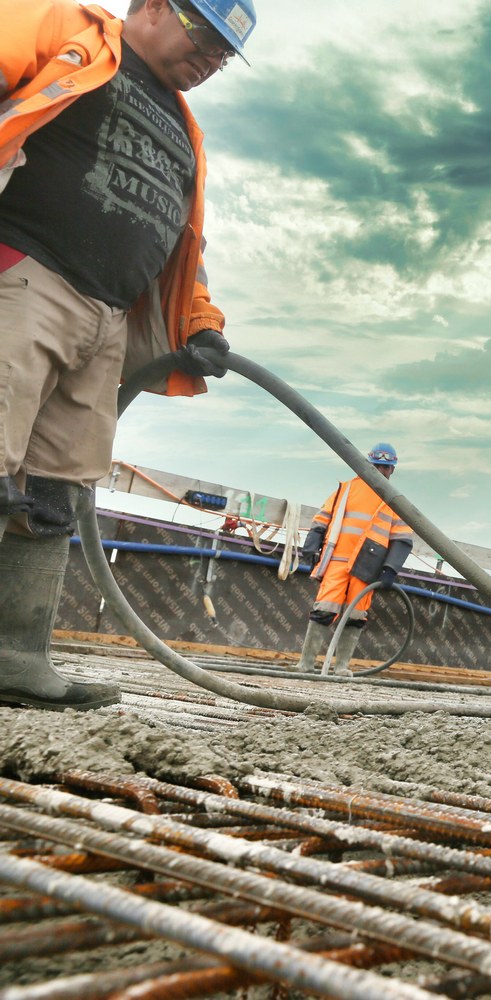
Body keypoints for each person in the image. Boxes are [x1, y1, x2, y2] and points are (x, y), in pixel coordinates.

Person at [0, 0, 256, 711]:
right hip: (25, 273)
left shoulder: (184, 129)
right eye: (204, 36)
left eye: (225, 54)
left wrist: (200, 322)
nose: (211, 60)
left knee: (56, 490)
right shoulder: (69, 31)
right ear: (153, 6)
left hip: (106, 318)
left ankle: (15, 657)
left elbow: (180, 242)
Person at [291, 444, 414, 677]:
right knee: (324, 609)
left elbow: (402, 539)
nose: (380, 471)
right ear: (368, 465)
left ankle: (341, 668)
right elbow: (322, 520)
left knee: (355, 616)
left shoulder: (394, 501)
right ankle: (305, 665)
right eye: (377, 466)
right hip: (337, 561)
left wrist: (390, 569)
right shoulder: (346, 490)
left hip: (367, 567)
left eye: (385, 467)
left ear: (392, 470)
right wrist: (311, 548)